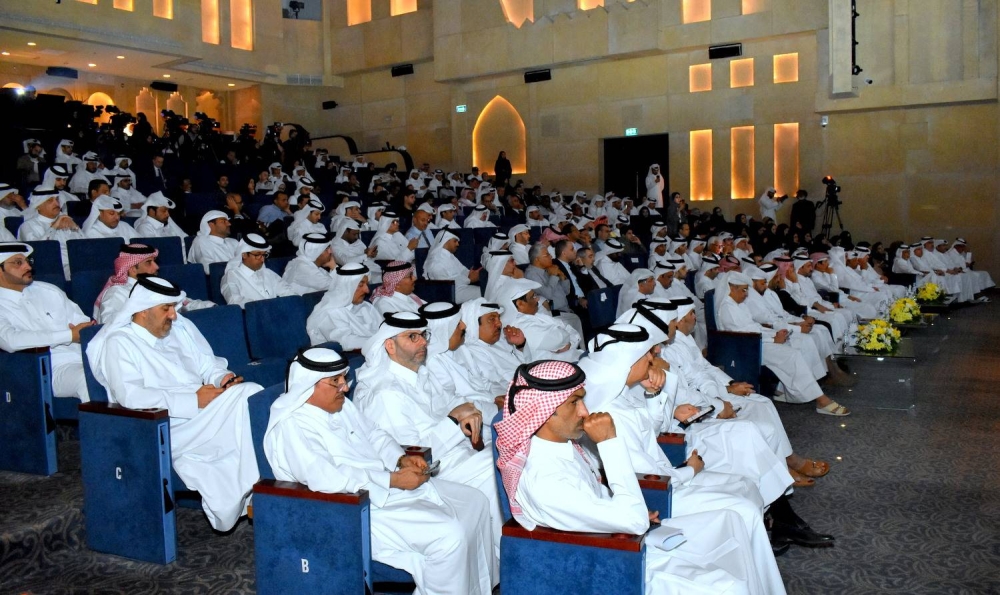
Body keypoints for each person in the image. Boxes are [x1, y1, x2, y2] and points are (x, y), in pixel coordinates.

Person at [495, 360, 781, 595]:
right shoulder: (546, 479)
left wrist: (630, 512)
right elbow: (631, 520)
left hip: (617, 536)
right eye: (575, 403)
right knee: (727, 586)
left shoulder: (563, 447)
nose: (585, 411)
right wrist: (609, 442)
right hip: (611, 567)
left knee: (729, 522)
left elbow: (602, 499)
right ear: (543, 413)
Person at [263, 347, 498, 595]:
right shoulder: (292, 425)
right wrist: (392, 480)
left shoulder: (341, 406)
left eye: (344, 378)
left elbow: (375, 435)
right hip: (354, 507)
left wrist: (401, 459)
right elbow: (327, 478)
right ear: (308, 384)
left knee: (476, 501)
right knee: (449, 536)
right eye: (336, 381)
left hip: (385, 487)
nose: (345, 387)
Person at [87, 275, 262, 532]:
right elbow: (131, 397)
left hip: (203, 409)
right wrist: (192, 400)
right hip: (167, 425)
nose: (174, 315)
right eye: (166, 308)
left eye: (174, 307)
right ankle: (246, 491)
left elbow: (207, 363)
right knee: (250, 396)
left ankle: (246, 492)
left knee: (251, 395)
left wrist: (223, 377)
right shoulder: (120, 342)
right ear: (143, 310)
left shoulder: (180, 328)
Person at [353, 312, 502, 557]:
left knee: (505, 454)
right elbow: (412, 455)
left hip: (458, 455)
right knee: (495, 471)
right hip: (434, 472)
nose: (423, 342)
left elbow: (451, 406)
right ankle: (506, 557)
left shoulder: (419, 374)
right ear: (389, 345)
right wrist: (454, 421)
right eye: (412, 337)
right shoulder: (386, 394)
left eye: (423, 335)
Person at [714, 272, 850, 416]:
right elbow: (743, 335)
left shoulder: (738, 305)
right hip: (746, 348)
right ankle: (821, 400)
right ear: (731, 288)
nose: (746, 294)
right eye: (743, 290)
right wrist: (773, 339)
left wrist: (775, 335)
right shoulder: (727, 307)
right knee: (792, 355)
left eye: (747, 290)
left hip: (754, 341)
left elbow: (754, 327)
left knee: (795, 345)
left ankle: (786, 391)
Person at [0, 242, 92, 402]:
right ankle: (104, 427)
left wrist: (81, 333)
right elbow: (11, 340)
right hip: (47, 369)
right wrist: (68, 335)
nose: (27, 266)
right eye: (18, 262)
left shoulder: (48, 290)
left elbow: (83, 324)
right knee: (89, 381)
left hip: (84, 356)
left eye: (28, 261)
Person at [420, 301, 501, 428]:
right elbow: (452, 403)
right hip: (473, 423)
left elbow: (483, 381)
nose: (464, 326)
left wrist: (502, 397)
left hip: (490, 409)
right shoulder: (431, 362)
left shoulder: (460, 348)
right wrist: (496, 410)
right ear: (443, 330)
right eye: (458, 323)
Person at [94, 244, 213, 324]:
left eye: (154, 262)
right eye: (148, 262)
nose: (156, 267)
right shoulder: (117, 292)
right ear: (132, 269)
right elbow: (109, 323)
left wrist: (210, 308)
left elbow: (186, 303)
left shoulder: (158, 285)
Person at [497, 277, 582, 362]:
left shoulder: (528, 315)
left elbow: (564, 329)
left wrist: (567, 340)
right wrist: (568, 339)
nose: (537, 299)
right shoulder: (522, 325)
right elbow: (561, 337)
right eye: (533, 297)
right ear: (520, 304)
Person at [306, 263, 380, 349]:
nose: (367, 290)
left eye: (367, 284)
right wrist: (382, 341)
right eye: (360, 285)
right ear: (346, 286)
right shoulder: (330, 312)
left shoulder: (365, 306)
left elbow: (383, 327)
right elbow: (346, 342)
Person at [18, 187, 83, 280]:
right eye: (50, 201)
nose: (57, 204)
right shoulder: (28, 226)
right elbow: (39, 251)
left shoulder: (67, 221)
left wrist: (76, 228)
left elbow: (86, 247)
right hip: (50, 269)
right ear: (38, 206)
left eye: (57, 199)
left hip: (76, 265)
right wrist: (54, 227)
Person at [220, 234, 296, 307]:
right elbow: (234, 301)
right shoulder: (232, 276)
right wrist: (267, 306)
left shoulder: (268, 273)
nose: (262, 259)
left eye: (264, 255)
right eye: (257, 255)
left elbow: (289, 292)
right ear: (244, 254)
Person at [424, 230, 482, 303]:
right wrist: (469, 279)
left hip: (461, 287)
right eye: (455, 241)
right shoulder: (435, 262)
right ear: (446, 240)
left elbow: (462, 270)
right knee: (484, 293)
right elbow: (445, 286)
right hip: (451, 294)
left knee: (486, 290)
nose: (458, 244)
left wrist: (471, 273)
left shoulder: (450, 256)